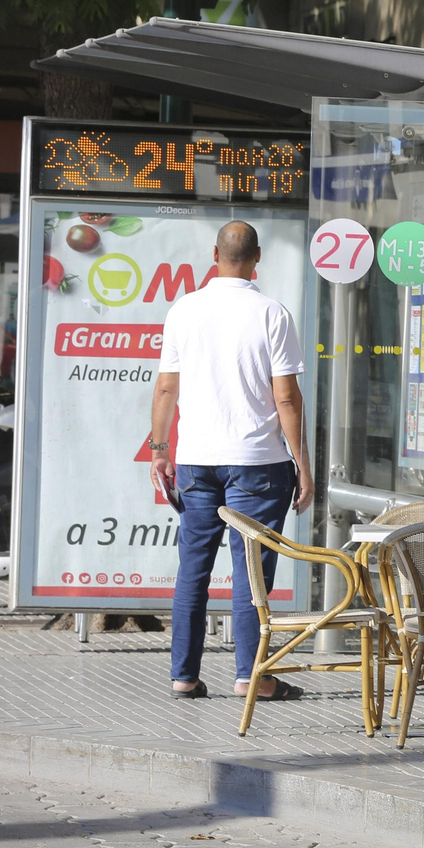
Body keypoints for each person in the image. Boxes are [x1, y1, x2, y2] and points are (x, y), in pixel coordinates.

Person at [148, 221, 313, 702]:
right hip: (259, 463)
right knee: (252, 573)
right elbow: (286, 398)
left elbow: (165, 388)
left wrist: (160, 452)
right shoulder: (272, 314)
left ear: (214, 253)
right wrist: (302, 463)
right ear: (257, 256)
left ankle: (183, 676)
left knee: (193, 569)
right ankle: (251, 677)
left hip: (197, 460)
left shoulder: (183, 310)